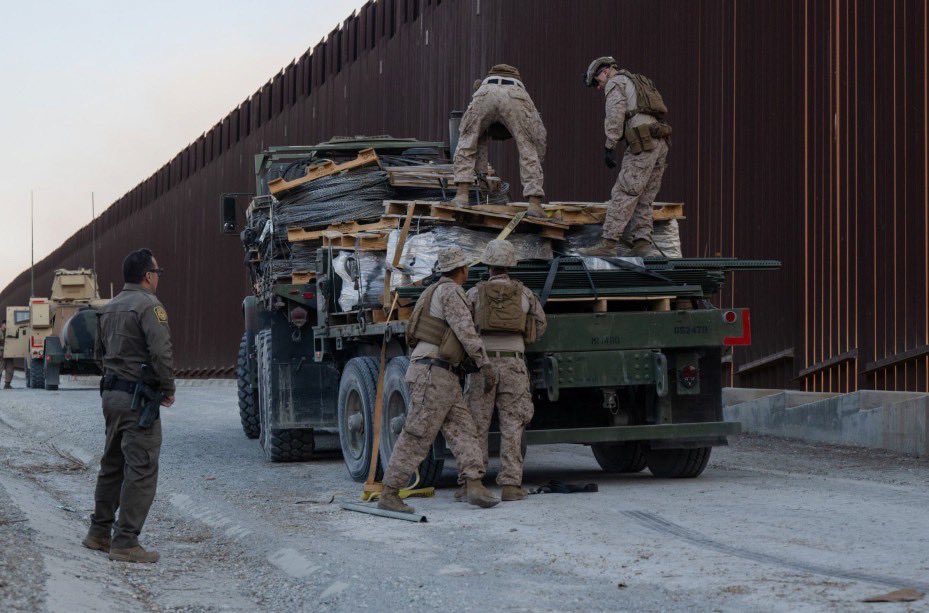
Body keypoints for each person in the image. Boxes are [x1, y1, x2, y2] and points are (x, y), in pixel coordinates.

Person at [379, 247, 500, 513]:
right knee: (418, 433)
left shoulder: (430, 291)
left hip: (440, 374)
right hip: (434, 372)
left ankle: (474, 484)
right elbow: (466, 332)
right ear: (463, 270)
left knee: (464, 430)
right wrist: (484, 363)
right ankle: (389, 492)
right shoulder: (451, 292)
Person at [83, 248, 175, 563]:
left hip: (111, 395)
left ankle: (98, 533)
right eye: (157, 272)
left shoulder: (109, 307)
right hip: (139, 399)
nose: (157, 277)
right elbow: (161, 352)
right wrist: (167, 387)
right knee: (141, 468)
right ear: (148, 276)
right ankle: (125, 541)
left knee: (112, 464)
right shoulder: (149, 306)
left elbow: (98, 355)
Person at [456, 240, 546, 502]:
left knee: (476, 425)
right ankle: (511, 485)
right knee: (513, 425)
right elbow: (540, 325)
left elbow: (464, 326)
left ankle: (472, 483)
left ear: (488, 264)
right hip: (514, 363)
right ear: (510, 264)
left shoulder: (474, 293)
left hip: (482, 365)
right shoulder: (525, 294)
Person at [579, 57, 672, 257]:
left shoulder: (614, 82)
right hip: (660, 142)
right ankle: (642, 243)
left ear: (604, 72)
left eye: (597, 82)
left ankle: (608, 243)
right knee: (645, 197)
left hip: (643, 143)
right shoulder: (636, 81)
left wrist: (609, 145)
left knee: (624, 191)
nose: (598, 87)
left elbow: (615, 114)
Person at [452, 64, 547, 218]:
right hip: (515, 94)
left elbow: (475, 143)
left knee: (467, 139)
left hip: (485, 93)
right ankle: (534, 204)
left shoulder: (483, 90)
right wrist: (538, 159)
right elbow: (539, 140)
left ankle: (461, 196)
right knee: (528, 147)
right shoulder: (521, 93)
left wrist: (480, 175)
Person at [0, 321, 13, 389]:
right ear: (2, 324)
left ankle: (7, 384)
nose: (7, 326)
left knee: (10, 369)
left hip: (9, 353)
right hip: (1, 353)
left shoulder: (10, 331)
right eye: (6, 324)